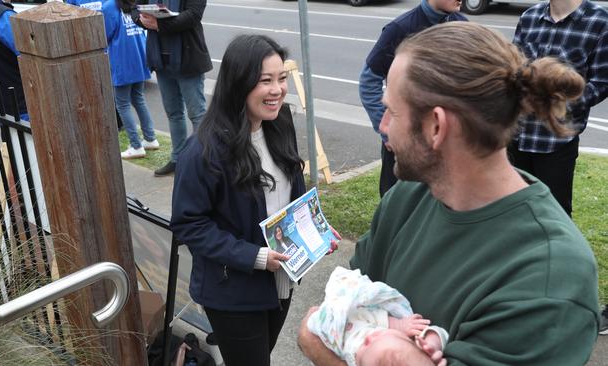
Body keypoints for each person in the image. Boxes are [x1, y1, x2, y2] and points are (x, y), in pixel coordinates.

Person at [298, 22, 599, 365]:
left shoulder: (549, 280)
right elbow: (349, 300)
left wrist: (312, 341)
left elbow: (326, 329)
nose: (382, 126)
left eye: (392, 112)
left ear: (437, 126)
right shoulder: (407, 198)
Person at [171, 35, 338, 366]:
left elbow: (292, 185)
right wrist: (256, 256)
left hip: (281, 276)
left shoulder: (280, 123)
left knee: (260, 355)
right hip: (233, 288)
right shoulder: (203, 151)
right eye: (266, 81)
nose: (277, 89)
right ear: (239, 83)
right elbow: (189, 224)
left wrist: (314, 228)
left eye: (281, 78)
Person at [359, 0, 466, 198]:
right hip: (404, 143)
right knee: (397, 205)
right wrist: (389, 132)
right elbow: (368, 82)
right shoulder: (400, 28)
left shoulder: (463, 27)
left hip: (444, 143)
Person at [511, 0, 608, 216]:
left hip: (556, 142)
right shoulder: (529, 17)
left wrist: (557, 103)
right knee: (515, 211)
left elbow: (601, 82)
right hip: (517, 136)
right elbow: (513, 70)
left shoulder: (600, 22)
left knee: (554, 214)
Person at [307, 266, 447, 366]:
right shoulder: (408, 348)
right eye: (383, 335)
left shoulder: (345, 350)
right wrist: (431, 344)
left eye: (362, 356)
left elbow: (317, 323)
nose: (368, 338)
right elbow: (440, 333)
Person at [134, 0, 212, 176]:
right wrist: (141, 20)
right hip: (160, 59)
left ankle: (202, 162)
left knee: (197, 114)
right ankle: (177, 159)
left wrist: (160, 24)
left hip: (188, 58)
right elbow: (134, 8)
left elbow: (193, 15)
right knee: (173, 113)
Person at [97, 0, 159, 159]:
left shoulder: (109, 7)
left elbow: (104, 35)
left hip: (122, 60)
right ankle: (150, 138)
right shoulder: (136, 2)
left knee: (122, 103)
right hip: (139, 56)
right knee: (138, 98)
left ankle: (136, 145)